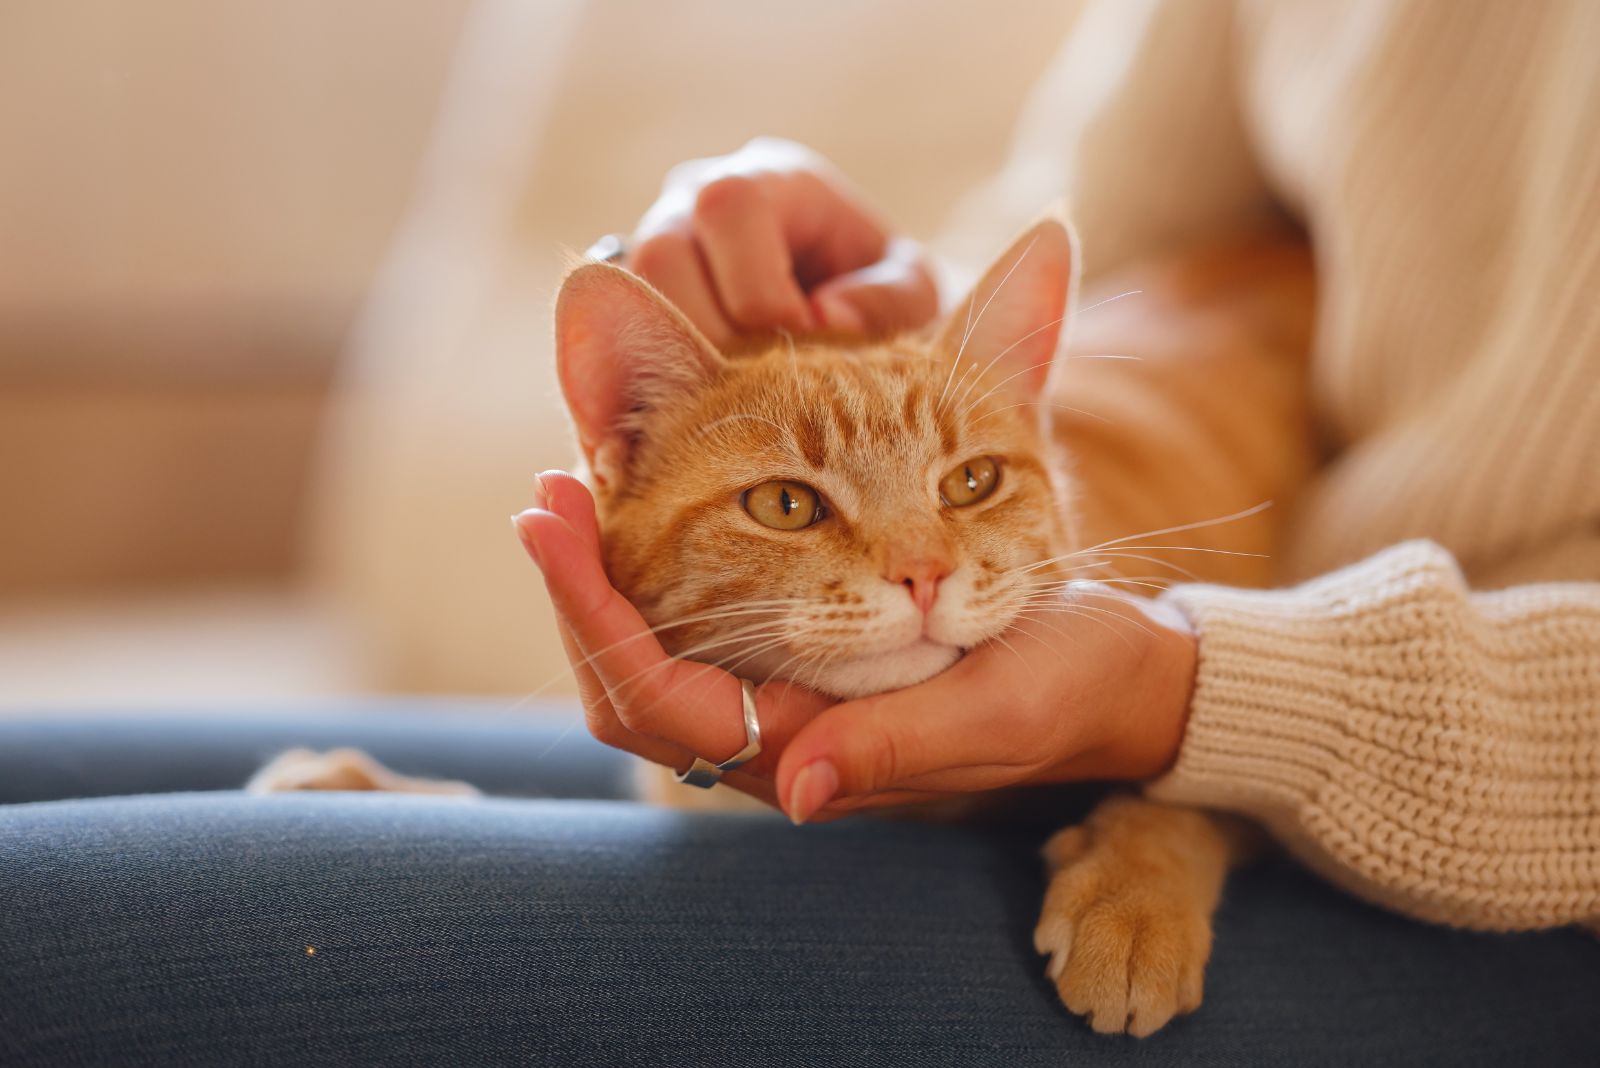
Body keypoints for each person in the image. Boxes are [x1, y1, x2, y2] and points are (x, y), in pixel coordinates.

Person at [4, 3, 1597, 1064]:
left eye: (960, 511)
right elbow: (1087, 251)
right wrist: (883, 324)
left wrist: (1183, 743)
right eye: (798, 514)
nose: (916, 569)